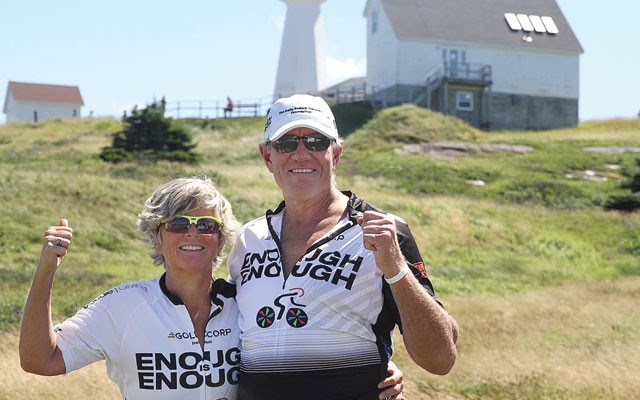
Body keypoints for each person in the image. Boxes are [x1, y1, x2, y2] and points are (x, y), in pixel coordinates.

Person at [19, 177, 405, 399]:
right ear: (156, 238)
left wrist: (374, 365)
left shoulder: (248, 303)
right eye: (178, 224)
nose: (193, 233)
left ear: (221, 242)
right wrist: (45, 273)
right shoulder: (122, 307)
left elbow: (309, 342)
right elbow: (40, 360)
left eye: (207, 226)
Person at [227, 94, 459, 399]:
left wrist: (397, 269)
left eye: (315, 141)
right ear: (267, 157)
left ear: (336, 154)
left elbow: (441, 359)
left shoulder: (383, 231)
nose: (301, 154)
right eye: (286, 143)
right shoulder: (249, 238)